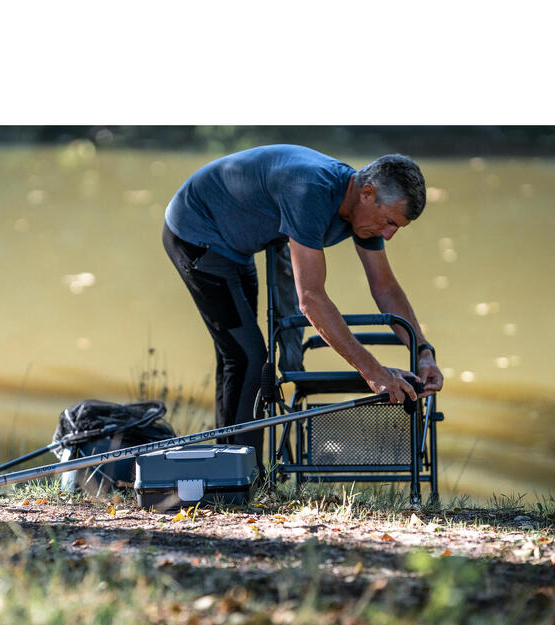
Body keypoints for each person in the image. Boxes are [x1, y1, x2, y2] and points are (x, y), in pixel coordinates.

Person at [162, 144, 444, 468]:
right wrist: (374, 371)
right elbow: (310, 298)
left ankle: (229, 473)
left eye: (395, 228)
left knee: (238, 357)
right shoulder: (310, 192)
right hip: (196, 232)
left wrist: (424, 353)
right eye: (389, 222)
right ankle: (236, 477)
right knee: (246, 356)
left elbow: (386, 288)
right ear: (367, 193)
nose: (388, 235)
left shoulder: (364, 213)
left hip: (237, 245)